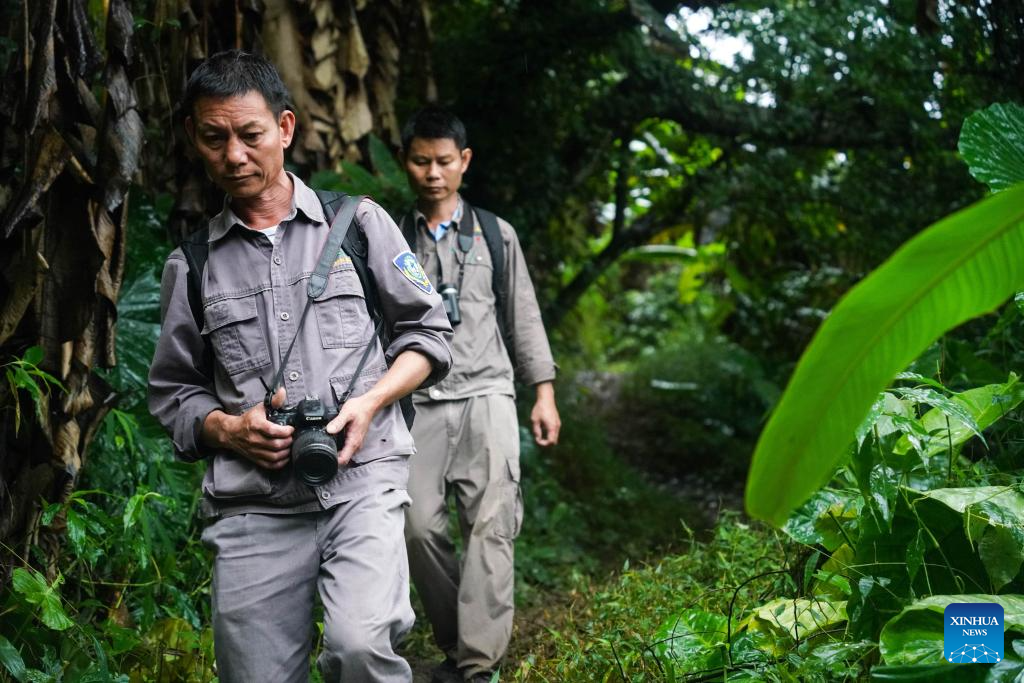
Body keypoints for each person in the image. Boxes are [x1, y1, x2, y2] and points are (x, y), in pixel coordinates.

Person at [147, 51, 453, 683]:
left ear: (284, 129)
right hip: (254, 504)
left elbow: (427, 335)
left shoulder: (361, 224)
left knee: (360, 649)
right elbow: (173, 395)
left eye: (250, 135)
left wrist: (368, 404)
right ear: (194, 141)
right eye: (214, 138)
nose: (234, 155)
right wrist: (229, 430)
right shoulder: (193, 264)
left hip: (362, 482)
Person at [399, 106, 561, 683]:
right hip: (415, 403)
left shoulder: (496, 233)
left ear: (464, 162)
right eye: (422, 161)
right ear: (406, 161)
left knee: (492, 525)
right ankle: (454, 641)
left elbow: (523, 315)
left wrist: (542, 393)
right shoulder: (389, 235)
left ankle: (477, 666)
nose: (433, 173)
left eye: (444, 161)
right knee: (416, 526)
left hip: (489, 393)